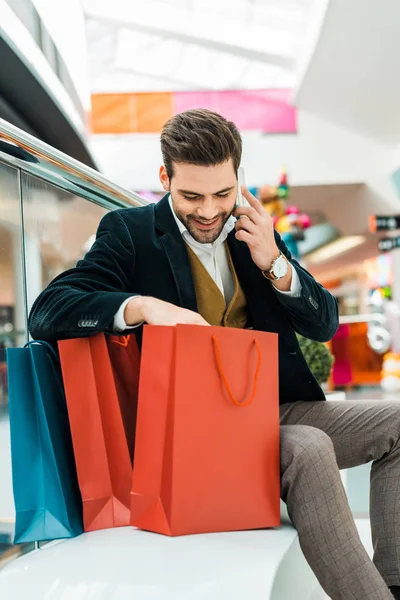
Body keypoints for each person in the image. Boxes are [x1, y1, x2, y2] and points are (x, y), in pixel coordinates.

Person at [29, 109, 400, 600]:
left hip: (270, 410)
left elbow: (323, 323)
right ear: (165, 179)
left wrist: (275, 263)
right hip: (188, 435)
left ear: (238, 180)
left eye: (222, 194)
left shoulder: (256, 233)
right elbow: (49, 310)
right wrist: (142, 307)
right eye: (191, 196)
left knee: (396, 423)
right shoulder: (129, 233)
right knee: (308, 449)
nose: (208, 211)